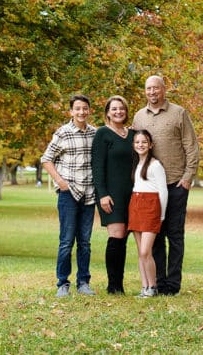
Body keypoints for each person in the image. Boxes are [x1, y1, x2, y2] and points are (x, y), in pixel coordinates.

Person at [131, 75, 199, 295]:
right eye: (148, 89)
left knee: (175, 235)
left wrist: (188, 177)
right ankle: (157, 282)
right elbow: (135, 148)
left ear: (164, 90)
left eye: (156, 88)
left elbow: (191, 146)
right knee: (155, 236)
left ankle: (173, 284)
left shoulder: (178, 113)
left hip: (175, 183)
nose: (152, 92)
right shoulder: (139, 116)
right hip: (150, 189)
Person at [41, 94, 97, 298]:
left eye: (85, 108)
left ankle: (84, 282)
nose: (81, 112)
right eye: (77, 109)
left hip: (89, 195)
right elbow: (46, 159)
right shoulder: (63, 133)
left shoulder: (95, 133)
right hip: (68, 194)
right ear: (71, 111)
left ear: (89, 110)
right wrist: (60, 182)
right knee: (66, 241)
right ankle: (62, 283)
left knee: (85, 242)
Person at [91, 95, 135, 294]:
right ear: (108, 113)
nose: (118, 112)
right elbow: (97, 167)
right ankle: (112, 285)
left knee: (124, 237)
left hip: (132, 194)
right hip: (111, 195)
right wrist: (103, 194)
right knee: (116, 236)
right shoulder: (102, 134)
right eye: (114, 109)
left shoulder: (133, 134)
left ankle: (120, 284)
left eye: (121, 108)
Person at [128, 129, 168, 298]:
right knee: (140, 252)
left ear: (150, 145)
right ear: (133, 145)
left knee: (146, 251)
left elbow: (163, 191)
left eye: (144, 142)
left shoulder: (155, 165)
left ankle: (153, 286)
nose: (140, 145)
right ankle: (145, 287)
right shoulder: (137, 164)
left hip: (151, 207)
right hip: (136, 205)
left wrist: (162, 214)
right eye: (137, 142)